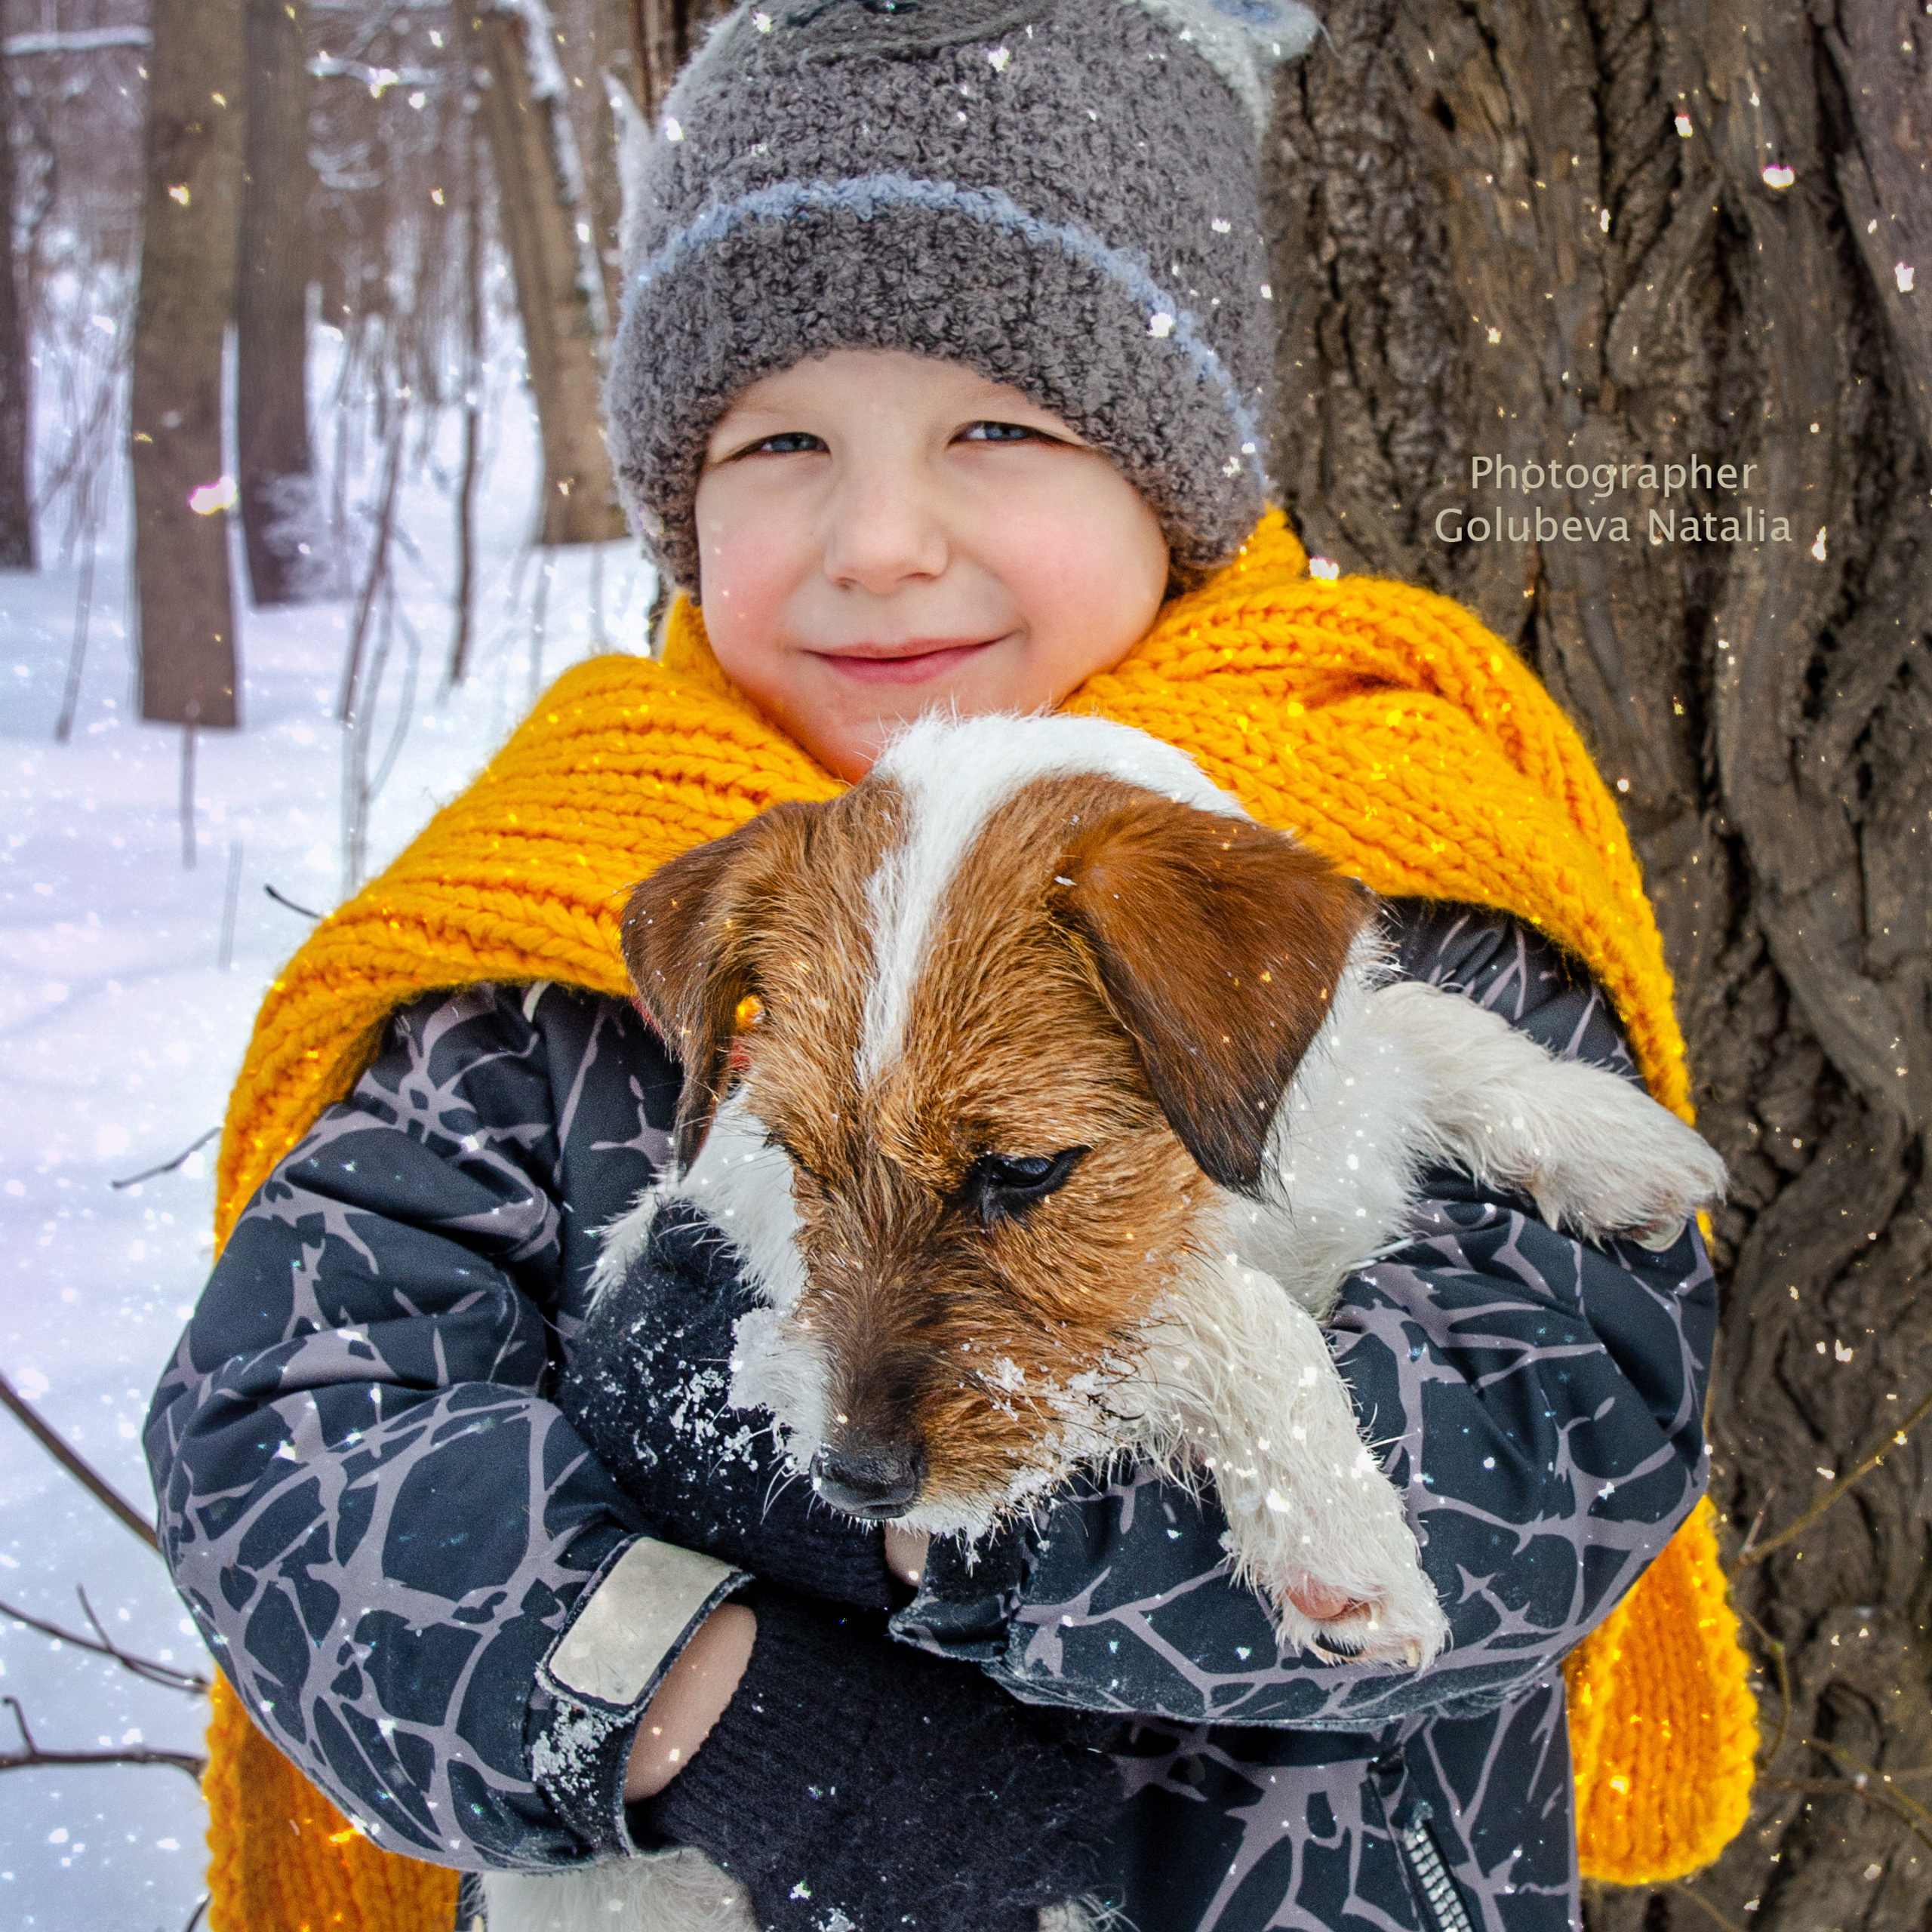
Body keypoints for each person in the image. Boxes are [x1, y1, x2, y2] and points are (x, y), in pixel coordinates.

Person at [146, 5, 1750, 1930]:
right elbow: (285, 1438)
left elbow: (1558, 1433)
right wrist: (690, 1691)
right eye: (779, 442)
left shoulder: (1372, 841)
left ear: (1173, 474)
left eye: (1000, 426)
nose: (880, 541)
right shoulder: (544, 934)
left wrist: (917, 1524)